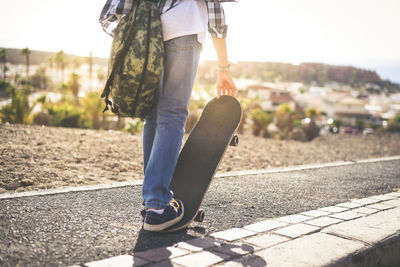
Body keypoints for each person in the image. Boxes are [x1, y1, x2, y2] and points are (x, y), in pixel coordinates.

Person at [100, 0, 237, 231]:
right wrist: (223, 69)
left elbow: (114, 12)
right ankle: (158, 206)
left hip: (147, 31)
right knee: (172, 114)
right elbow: (215, 12)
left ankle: (152, 202)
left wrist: (134, 34)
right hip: (184, 27)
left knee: (153, 116)